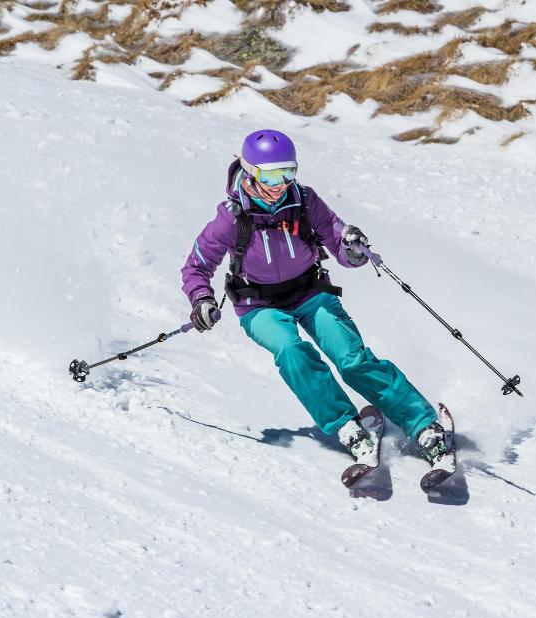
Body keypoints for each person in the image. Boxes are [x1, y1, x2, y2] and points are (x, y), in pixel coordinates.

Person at [181, 129, 453, 472]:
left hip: (310, 292)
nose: (280, 183)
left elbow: (338, 241)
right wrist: (201, 299)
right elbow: (196, 266)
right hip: (259, 305)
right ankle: (345, 425)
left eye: (288, 172)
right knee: (291, 351)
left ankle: (423, 425)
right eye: (270, 175)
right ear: (249, 171)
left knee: (351, 358)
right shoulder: (231, 218)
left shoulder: (305, 201)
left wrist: (354, 250)